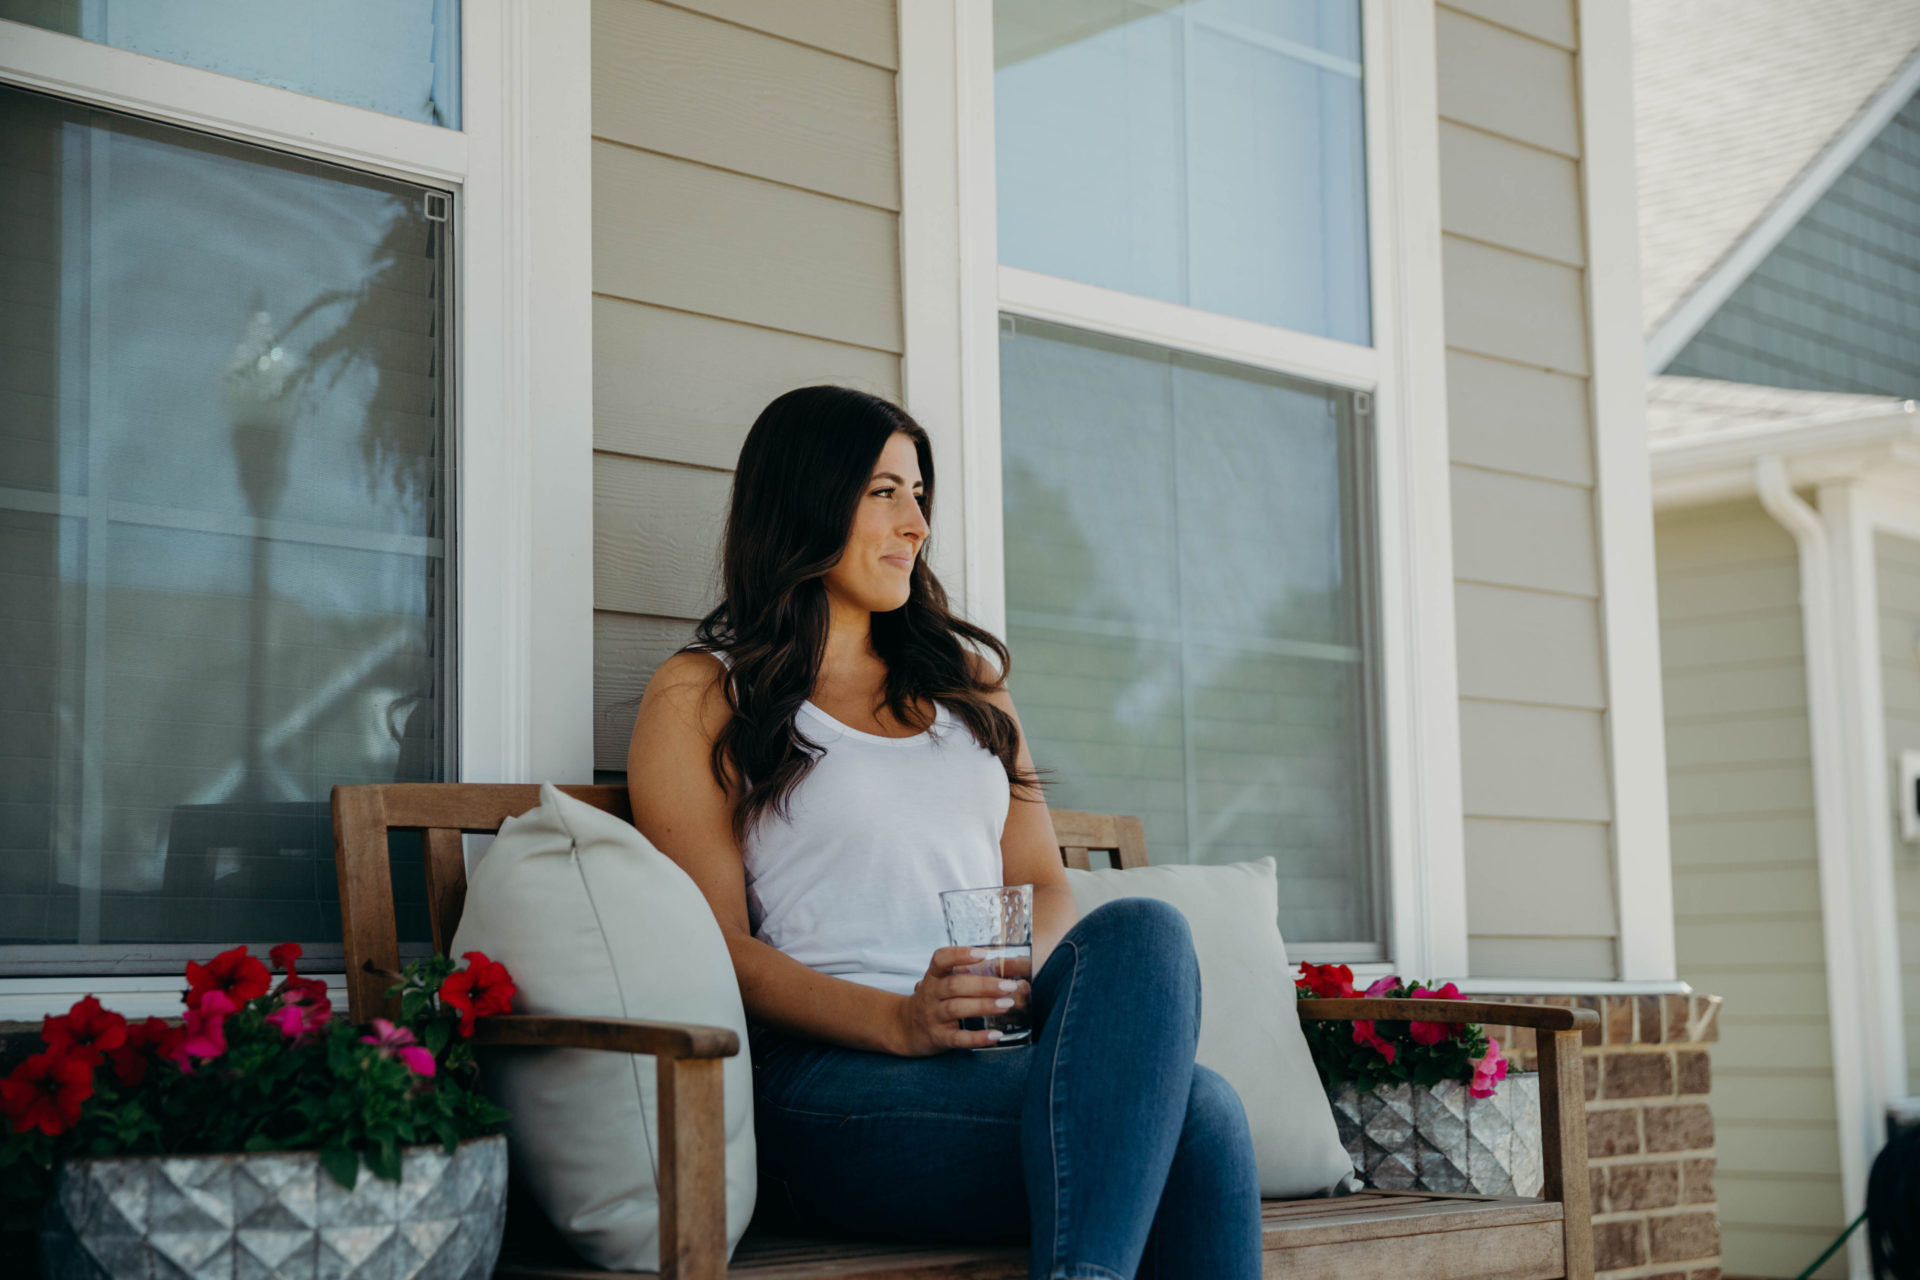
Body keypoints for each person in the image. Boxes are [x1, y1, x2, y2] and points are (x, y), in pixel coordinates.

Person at [626, 385, 1262, 1280]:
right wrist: (899, 1020)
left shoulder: (968, 686)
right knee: (1200, 1120)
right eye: (884, 492)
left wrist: (993, 990)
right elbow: (717, 945)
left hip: (993, 1052)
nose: (916, 523)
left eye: (919, 495)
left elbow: (1043, 885)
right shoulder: (703, 693)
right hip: (828, 1080)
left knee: (1146, 934)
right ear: (807, 499)